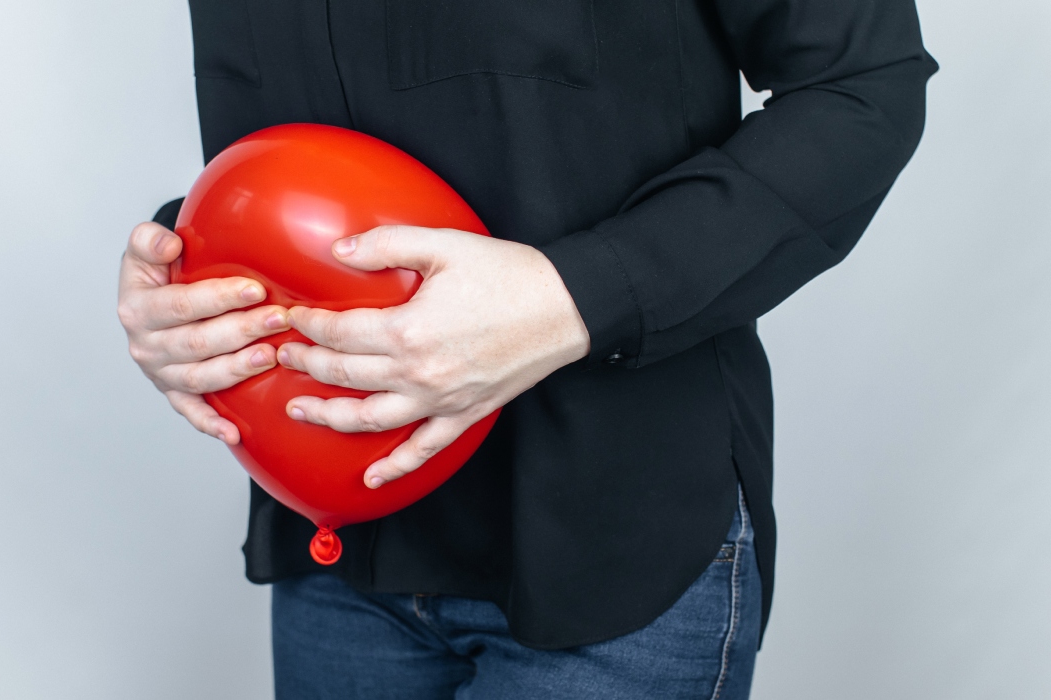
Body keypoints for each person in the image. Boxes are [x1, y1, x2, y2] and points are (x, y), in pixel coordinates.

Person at [117, 1, 936, 697]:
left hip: (614, 544)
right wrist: (183, 274)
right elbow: (304, 141)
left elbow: (863, 84)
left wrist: (575, 295)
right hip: (333, 557)